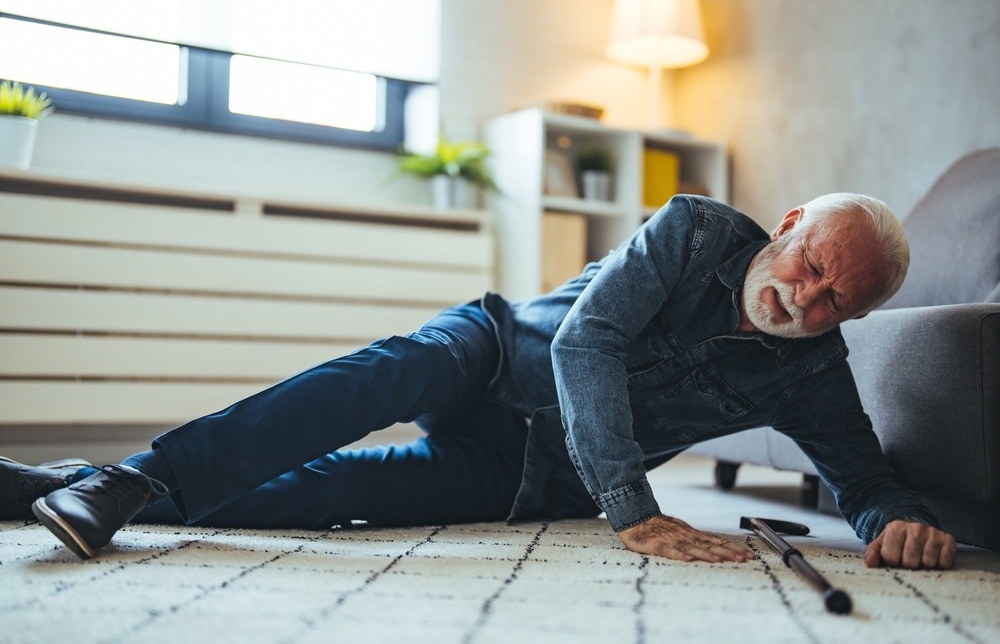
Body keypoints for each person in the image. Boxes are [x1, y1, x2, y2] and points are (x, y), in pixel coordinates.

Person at [2, 193, 957, 570]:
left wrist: (895, 521)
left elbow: (863, 477)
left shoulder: (813, 372)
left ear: (855, 319)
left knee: (338, 496)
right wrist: (630, 502)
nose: (808, 294)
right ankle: (134, 475)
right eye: (813, 262)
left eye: (838, 299)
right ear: (788, 224)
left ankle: (72, 486)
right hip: (498, 351)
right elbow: (588, 340)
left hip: (524, 473)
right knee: (362, 385)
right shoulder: (696, 230)